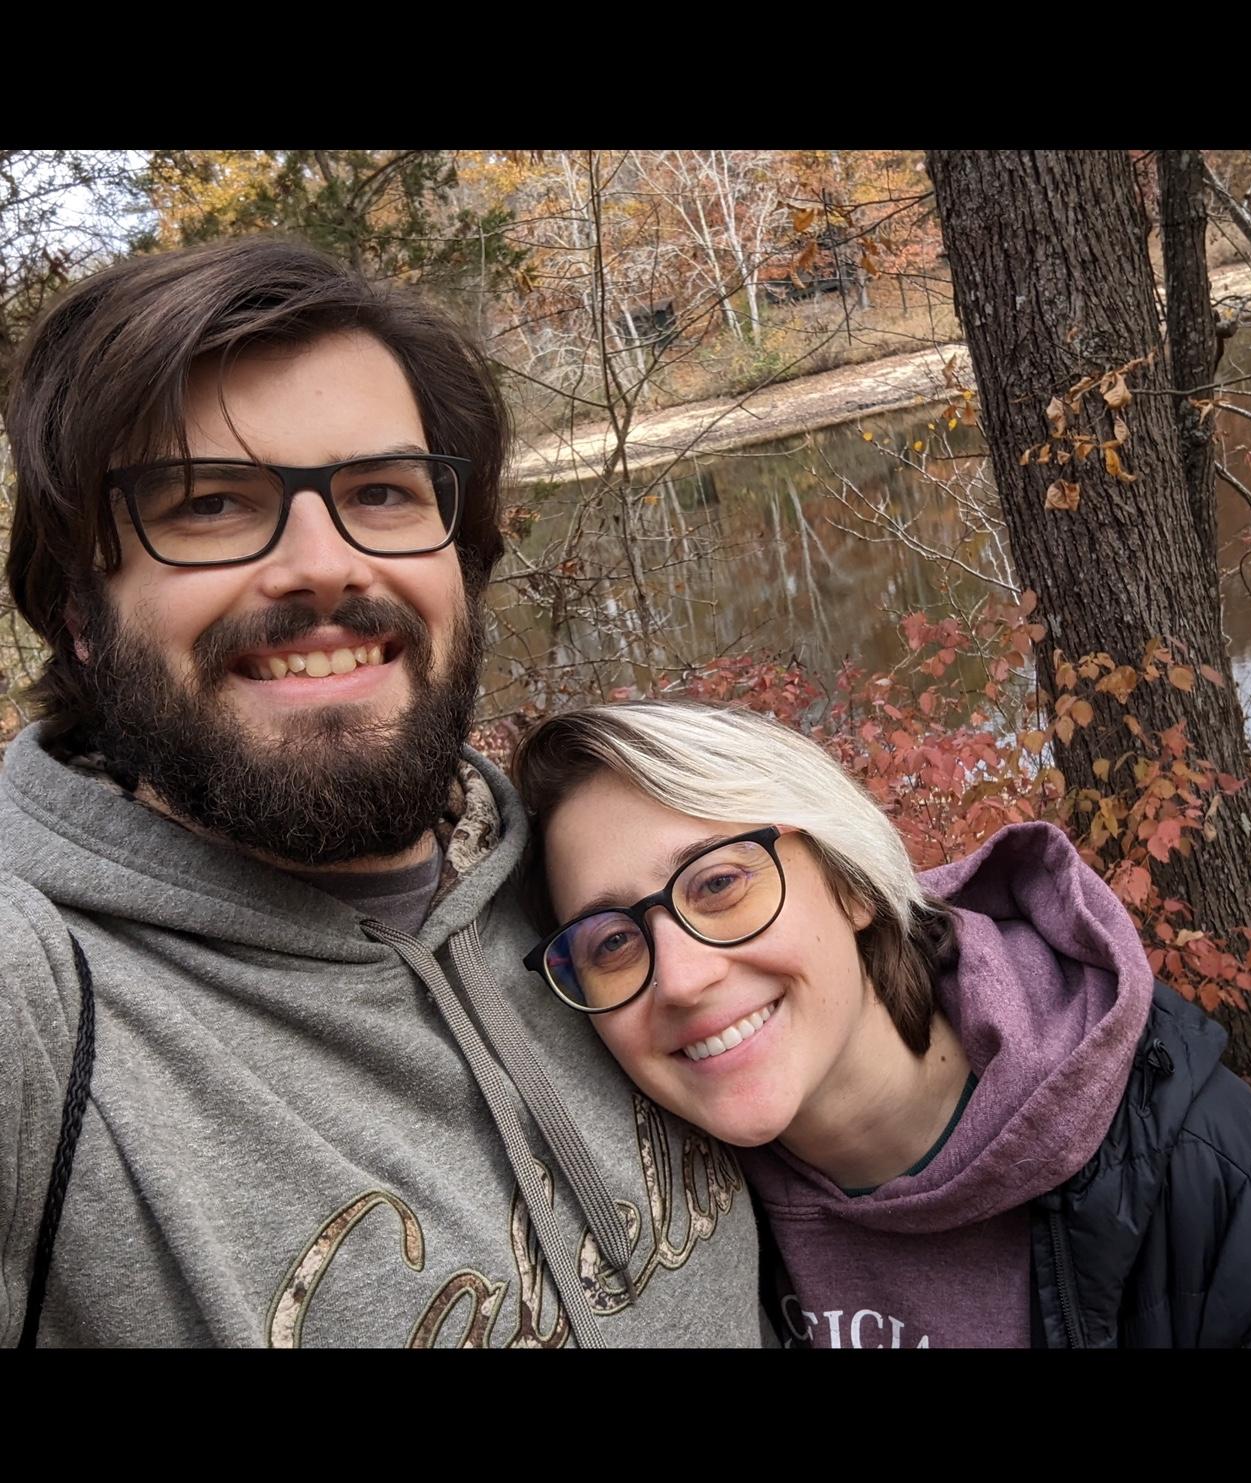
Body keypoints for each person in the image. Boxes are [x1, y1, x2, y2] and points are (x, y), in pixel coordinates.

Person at [0, 238, 762, 1348]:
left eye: (380, 492)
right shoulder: (39, 996)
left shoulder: (594, 882)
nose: (323, 563)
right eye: (209, 503)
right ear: (78, 608)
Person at [510, 698, 1251, 1349]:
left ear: (852, 883)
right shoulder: (676, 1204)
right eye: (612, 940)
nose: (683, 978)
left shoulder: (1201, 1178)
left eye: (719, 884)